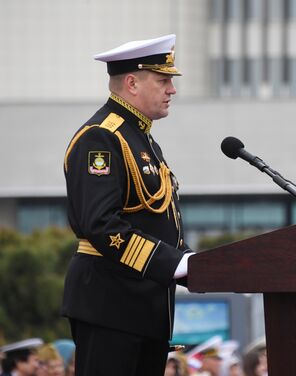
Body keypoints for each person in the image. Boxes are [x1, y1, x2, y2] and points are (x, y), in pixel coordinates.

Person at [61, 34, 194, 376]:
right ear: (132, 83)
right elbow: (102, 225)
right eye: (163, 80)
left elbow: (159, 225)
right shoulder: (101, 138)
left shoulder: (141, 138)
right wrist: (176, 264)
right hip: (111, 306)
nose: (172, 90)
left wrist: (204, 266)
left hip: (145, 308)